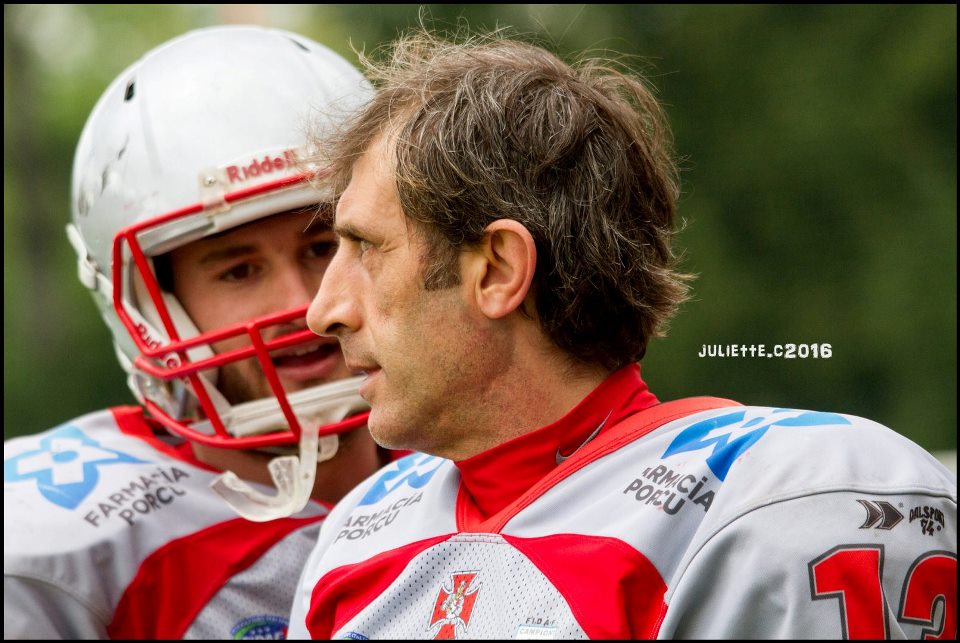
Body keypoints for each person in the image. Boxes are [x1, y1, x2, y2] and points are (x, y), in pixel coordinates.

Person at [288, 28, 957, 639]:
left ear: (496, 269)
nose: (325, 310)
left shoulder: (776, 503)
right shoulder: (359, 531)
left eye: (365, 248)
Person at [3, 26, 395, 640]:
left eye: (324, 246)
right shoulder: (67, 545)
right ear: (152, 305)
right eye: (240, 270)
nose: (303, 304)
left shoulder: (498, 454)